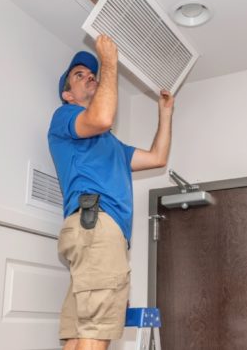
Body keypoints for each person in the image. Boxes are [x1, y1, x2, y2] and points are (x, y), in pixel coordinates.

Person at [48, 34, 174, 350]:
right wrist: (108, 62)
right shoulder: (64, 117)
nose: (89, 76)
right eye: (80, 75)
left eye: (92, 73)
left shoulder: (112, 146)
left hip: (91, 232)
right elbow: (103, 117)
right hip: (97, 229)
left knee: (80, 336)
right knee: (94, 332)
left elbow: (157, 157)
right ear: (67, 95)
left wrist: (166, 113)